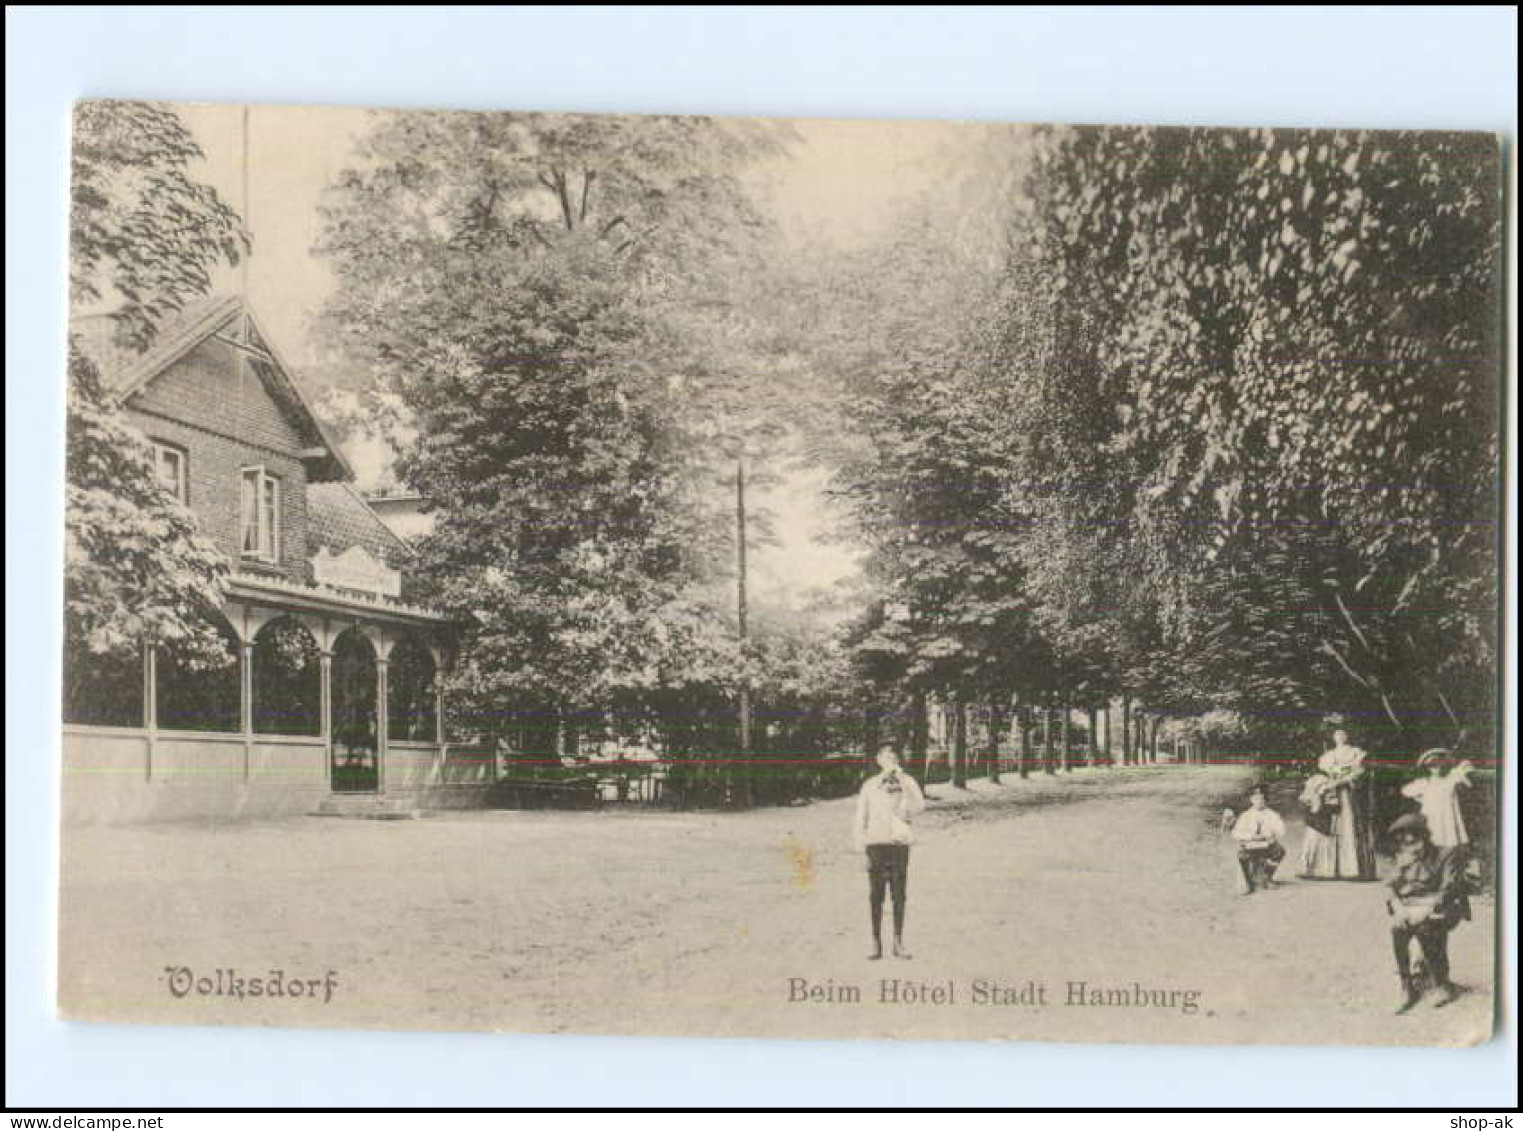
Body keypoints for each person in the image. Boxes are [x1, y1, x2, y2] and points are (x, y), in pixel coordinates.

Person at [1385, 812, 1471, 1013]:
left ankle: (1441, 983)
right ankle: (1407, 985)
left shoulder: (1447, 854)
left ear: (1424, 837)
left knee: (1426, 929)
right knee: (1398, 929)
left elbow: (1449, 889)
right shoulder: (1405, 857)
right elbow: (1390, 886)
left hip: (1443, 907)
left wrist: (1424, 911)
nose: (1409, 846)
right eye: (1404, 842)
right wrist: (1398, 907)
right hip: (1412, 907)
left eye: (1414, 840)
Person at [852, 746, 925, 960]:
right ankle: (875, 942)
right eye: (885, 756)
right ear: (878, 760)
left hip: (898, 843)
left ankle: (898, 941)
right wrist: (861, 845)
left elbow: (919, 806)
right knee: (876, 894)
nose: (889, 760)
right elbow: (860, 817)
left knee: (899, 894)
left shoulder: (907, 782)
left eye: (893, 757)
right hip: (875, 843)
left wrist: (904, 783)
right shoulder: (870, 785)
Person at [1316, 728, 1376, 880]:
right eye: (1337, 735)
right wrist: (1331, 781)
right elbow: (1327, 771)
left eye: (1343, 734)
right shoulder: (1328, 756)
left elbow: (1358, 770)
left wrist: (1344, 779)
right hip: (1332, 792)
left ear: (1347, 736)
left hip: (1347, 792)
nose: (1340, 737)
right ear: (1333, 738)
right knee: (1332, 823)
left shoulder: (1355, 752)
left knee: (1349, 823)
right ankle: (1329, 869)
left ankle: (1351, 868)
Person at [1400, 749, 1473, 849]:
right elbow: (1406, 791)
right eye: (1432, 765)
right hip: (1432, 819)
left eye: (1438, 764)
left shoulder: (1451, 778)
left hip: (1448, 820)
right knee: (1431, 844)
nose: (1436, 767)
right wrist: (1420, 796)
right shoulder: (1426, 782)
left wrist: (1461, 769)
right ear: (1427, 768)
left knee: (1449, 846)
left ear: (1443, 764)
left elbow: (1466, 767)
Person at [1230, 785, 1287, 893]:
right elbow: (1235, 833)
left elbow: (1282, 831)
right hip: (1250, 845)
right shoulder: (1246, 815)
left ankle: (1267, 877)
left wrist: (1270, 835)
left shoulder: (1272, 815)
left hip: (1266, 844)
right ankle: (1248, 882)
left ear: (1266, 800)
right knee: (1242, 855)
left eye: (1262, 798)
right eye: (1256, 798)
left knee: (1279, 851)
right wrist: (1251, 836)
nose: (1259, 801)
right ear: (1251, 800)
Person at [1297, 770, 1338, 877]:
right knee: (1312, 842)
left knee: (1322, 842)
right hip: (1315, 818)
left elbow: (1333, 805)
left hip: (1323, 816)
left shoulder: (1331, 787)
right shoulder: (1315, 783)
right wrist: (1313, 803)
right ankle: (1308, 869)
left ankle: (1323, 871)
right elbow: (1306, 801)